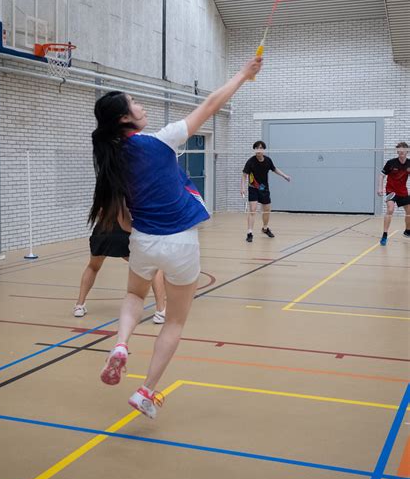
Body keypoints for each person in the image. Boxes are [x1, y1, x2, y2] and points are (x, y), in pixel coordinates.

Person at [89, 55, 262, 418]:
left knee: (135, 294)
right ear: (124, 118)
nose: (141, 105)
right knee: (175, 321)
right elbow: (212, 103)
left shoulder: (110, 160)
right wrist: (243, 75)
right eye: (134, 103)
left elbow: (121, 220)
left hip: (143, 240)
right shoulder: (160, 141)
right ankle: (145, 391)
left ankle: (121, 344)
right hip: (181, 242)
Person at [73, 214, 166, 324]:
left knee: (93, 267)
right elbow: (127, 218)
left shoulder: (101, 196)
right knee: (154, 268)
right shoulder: (128, 196)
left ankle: (79, 305)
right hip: (123, 233)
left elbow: (99, 213)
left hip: (101, 232)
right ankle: (161, 311)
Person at [240, 140, 291, 242]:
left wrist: (285, 176)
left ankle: (265, 228)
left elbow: (274, 169)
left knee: (267, 211)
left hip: (264, 189)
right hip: (253, 188)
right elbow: (244, 175)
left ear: (263, 150)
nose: (258, 150)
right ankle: (249, 232)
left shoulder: (268, 160)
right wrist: (242, 188)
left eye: (260, 148)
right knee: (252, 210)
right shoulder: (250, 161)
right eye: (257, 148)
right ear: (254, 150)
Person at [378, 141, 410, 246]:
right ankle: (385, 234)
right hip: (391, 190)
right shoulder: (391, 162)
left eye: (403, 150)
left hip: (403, 191)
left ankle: (407, 231)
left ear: (407, 151)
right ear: (397, 151)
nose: (401, 151)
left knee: (409, 212)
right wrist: (380, 188)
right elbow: (381, 175)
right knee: (390, 209)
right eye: (399, 150)